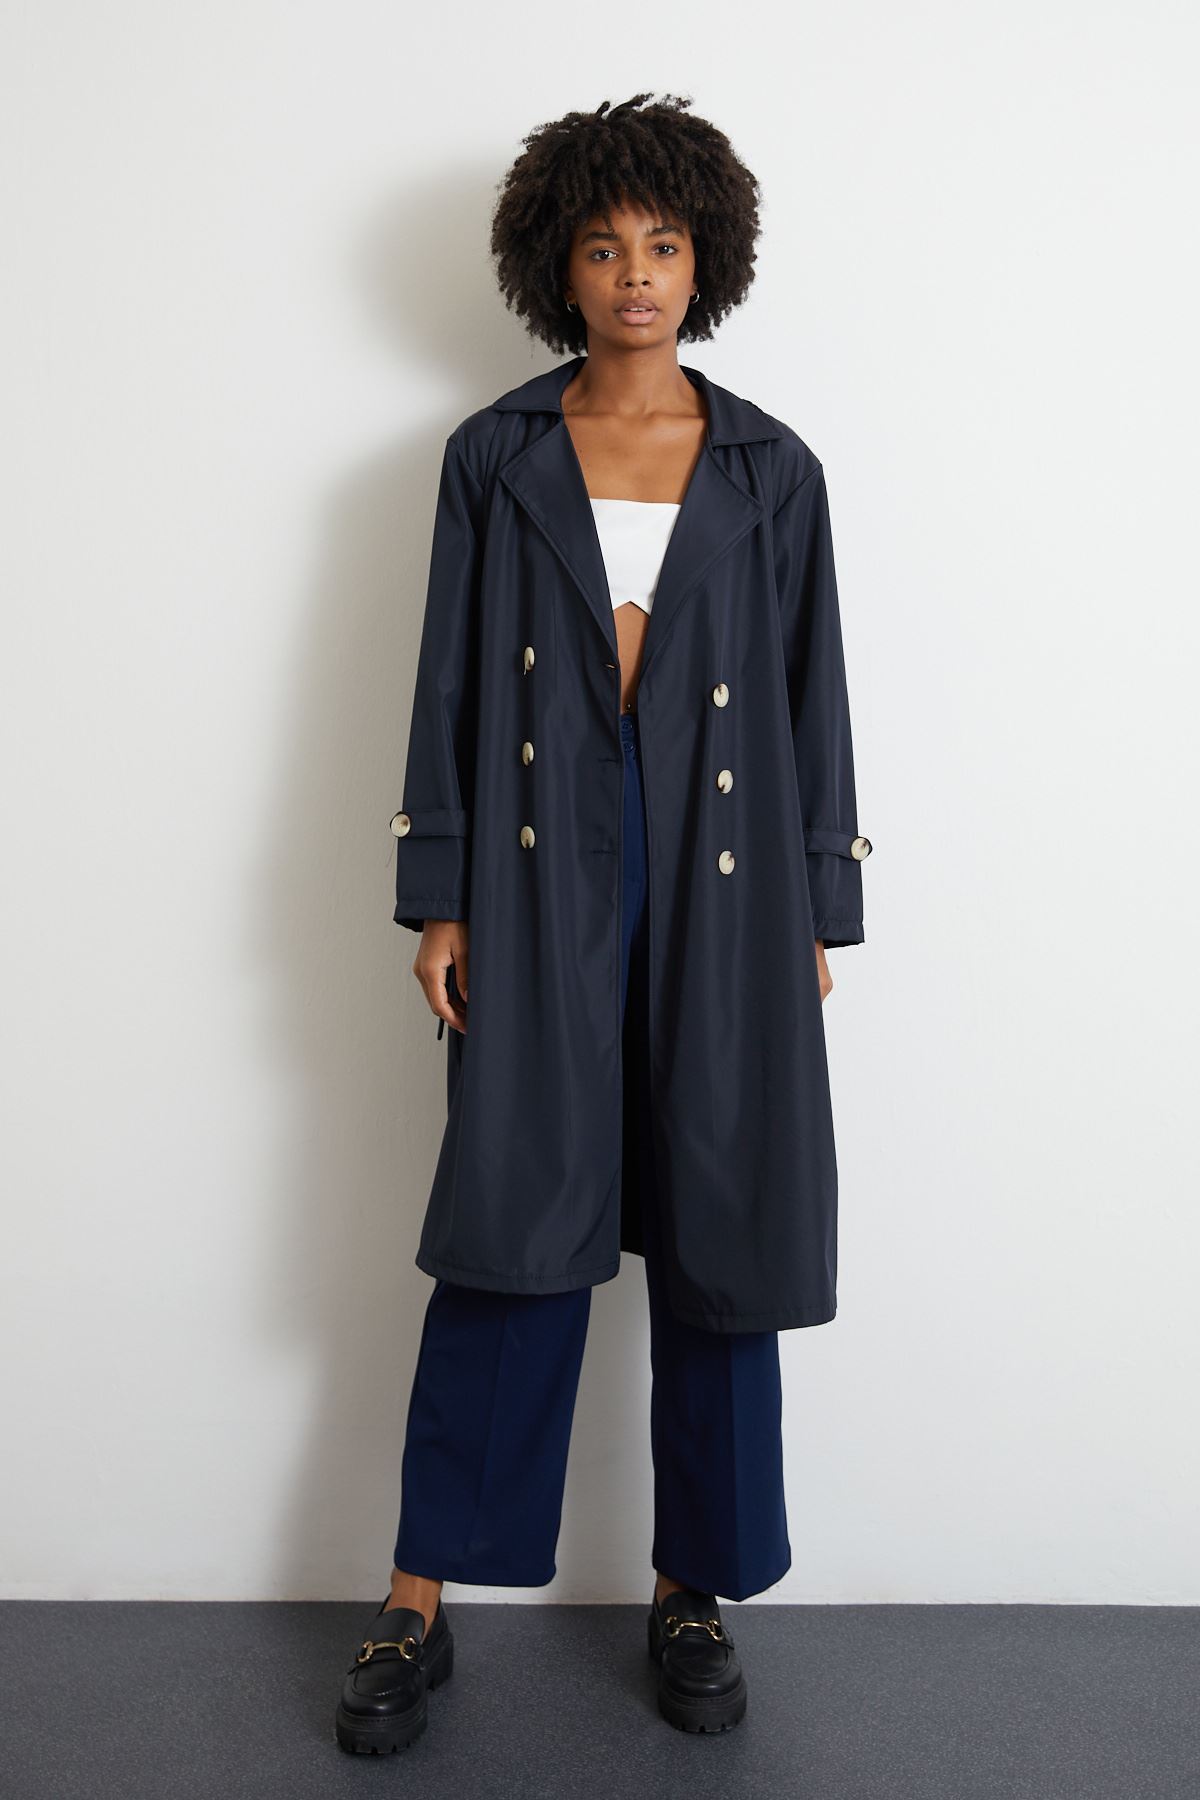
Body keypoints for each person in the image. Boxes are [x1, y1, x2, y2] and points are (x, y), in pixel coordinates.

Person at [335, 91, 872, 1755]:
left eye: (663, 243)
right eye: (601, 245)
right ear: (553, 268)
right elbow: (444, 678)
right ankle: (417, 1603)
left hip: (732, 879)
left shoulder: (773, 468)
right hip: (538, 865)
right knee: (514, 1221)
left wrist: (820, 904)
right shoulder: (493, 457)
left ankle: (691, 1586)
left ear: (705, 263)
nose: (634, 272)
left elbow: (815, 694)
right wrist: (440, 894)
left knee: (722, 1223)